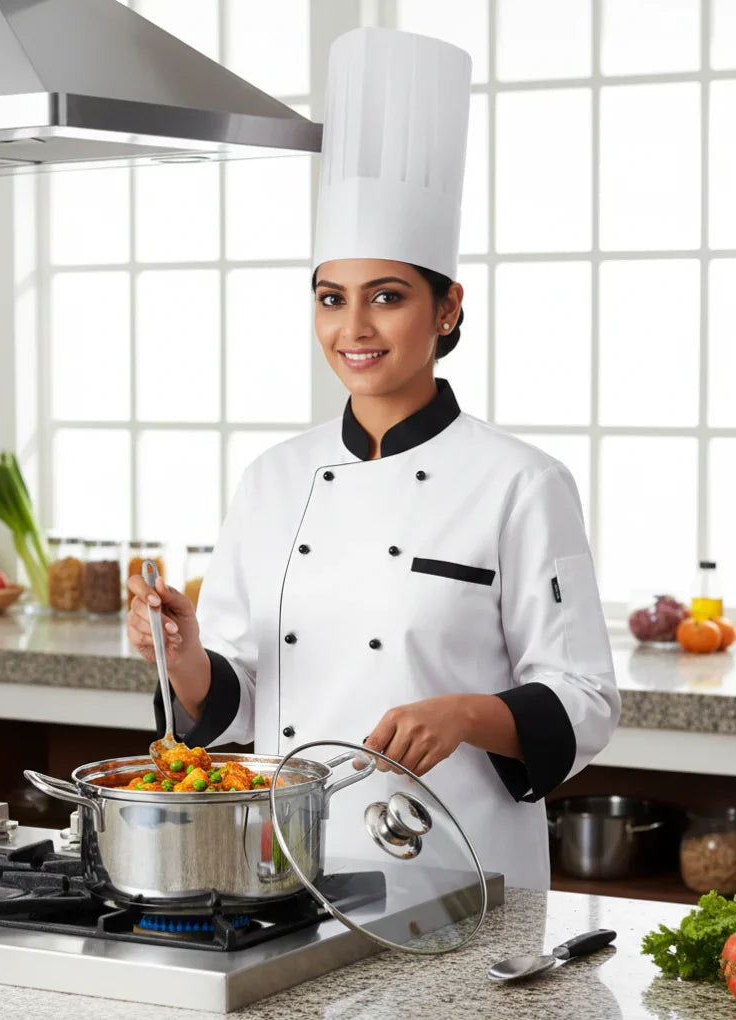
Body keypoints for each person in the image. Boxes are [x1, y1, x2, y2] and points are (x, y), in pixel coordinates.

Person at [127, 27, 619, 892]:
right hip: (289, 865)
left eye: (387, 297)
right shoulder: (273, 479)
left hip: (456, 869)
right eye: (331, 299)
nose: (353, 329)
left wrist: (469, 713)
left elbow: (586, 698)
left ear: (447, 308)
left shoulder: (521, 483)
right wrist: (188, 657)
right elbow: (235, 697)